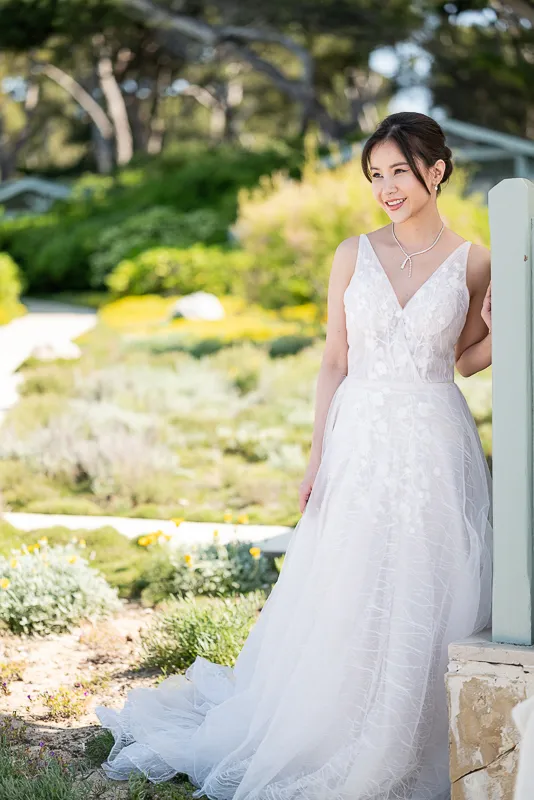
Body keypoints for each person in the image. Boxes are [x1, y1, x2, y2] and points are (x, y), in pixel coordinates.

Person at [95, 111, 493, 800]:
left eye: (399, 170)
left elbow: (463, 360)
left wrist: (502, 329)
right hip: (361, 434)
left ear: (437, 169)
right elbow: (334, 361)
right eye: (375, 175)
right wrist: (317, 458)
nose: (387, 188)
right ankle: (332, 728)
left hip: (434, 437)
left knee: (425, 587)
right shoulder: (353, 253)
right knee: (348, 584)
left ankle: (409, 735)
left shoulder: (474, 261)